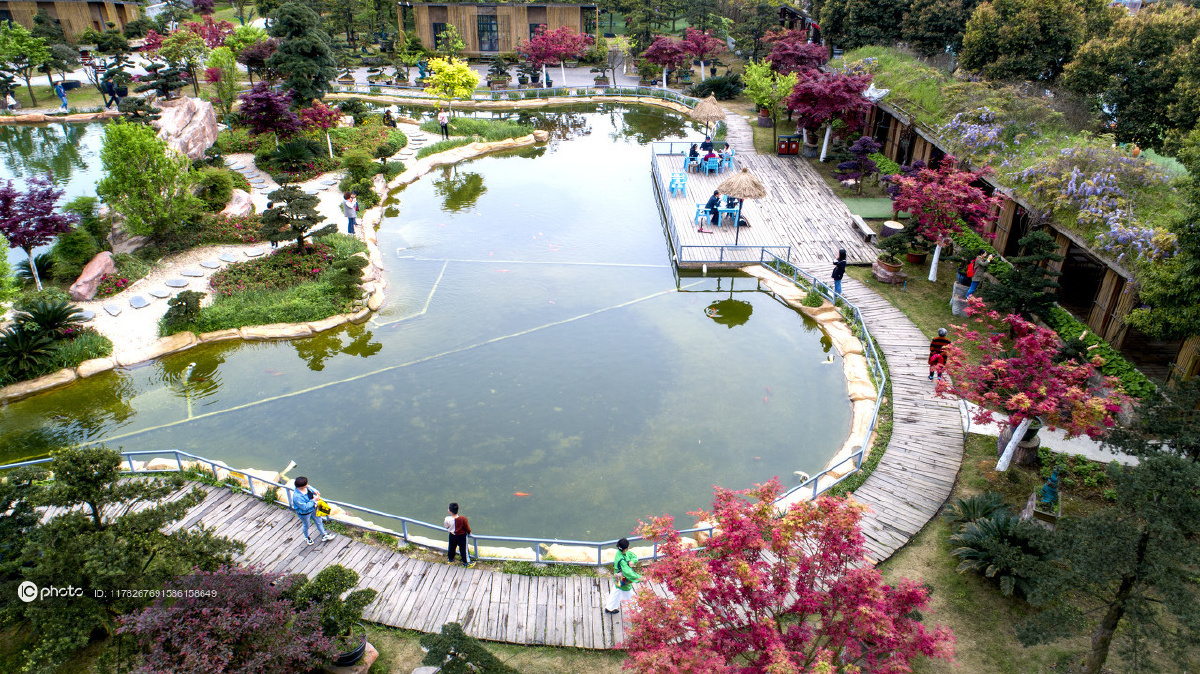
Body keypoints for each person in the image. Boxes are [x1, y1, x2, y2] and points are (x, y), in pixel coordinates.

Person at [291, 476, 335, 545]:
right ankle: (307, 537)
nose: (307, 485)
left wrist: (315, 490)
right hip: (305, 513)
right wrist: (314, 500)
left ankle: (324, 534)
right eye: (305, 484)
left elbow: (309, 487)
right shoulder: (297, 497)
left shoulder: (305, 487)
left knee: (319, 521)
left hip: (313, 508)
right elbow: (304, 507)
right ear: (301, 486)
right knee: (307, 525)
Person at [603, 538, 641, 614]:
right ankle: (638, 610)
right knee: (629, 592)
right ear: (627, 548)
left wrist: (632, 561)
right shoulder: (623, 560)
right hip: (622, 577)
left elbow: (633, 557)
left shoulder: (619, 553)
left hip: (618, 576)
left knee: (617, 590)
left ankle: (610, 607)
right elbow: (628, 573)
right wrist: (640, 578)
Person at [444, 502, 475, 568]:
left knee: (451, 547)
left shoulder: (447, 519)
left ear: (449, 511)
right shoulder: (463, 519)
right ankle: (466, 562)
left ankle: (451, 559)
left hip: (452, 535)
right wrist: (469, 533)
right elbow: (467, 528)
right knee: (463, 549)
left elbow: (446, 527)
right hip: (461, 536)